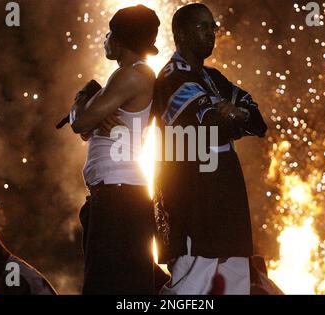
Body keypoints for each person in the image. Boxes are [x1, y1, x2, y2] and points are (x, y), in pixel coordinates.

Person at [152, 3, 269, 294]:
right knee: (191, 287)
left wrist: (234, 113)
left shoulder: (213, 78)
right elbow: (211, 125)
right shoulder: (170, 78)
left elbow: (257, 121)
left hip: (227, 200)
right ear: (180, 33)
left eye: (213, 27)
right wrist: (226, 112)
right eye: (202, 26)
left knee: (236, 283)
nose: (211, 33)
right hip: (192, 198)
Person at [70, 5, 160, 294]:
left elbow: (79, 122)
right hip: (116, 195)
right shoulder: (128, 76)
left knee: (106, 285)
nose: (104, 39)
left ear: (119, 40)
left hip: (118, 197)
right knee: (124, 283)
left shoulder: (132, 75)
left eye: (109, 33)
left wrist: (81, 98)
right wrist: (89, 113)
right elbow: (87, 129)